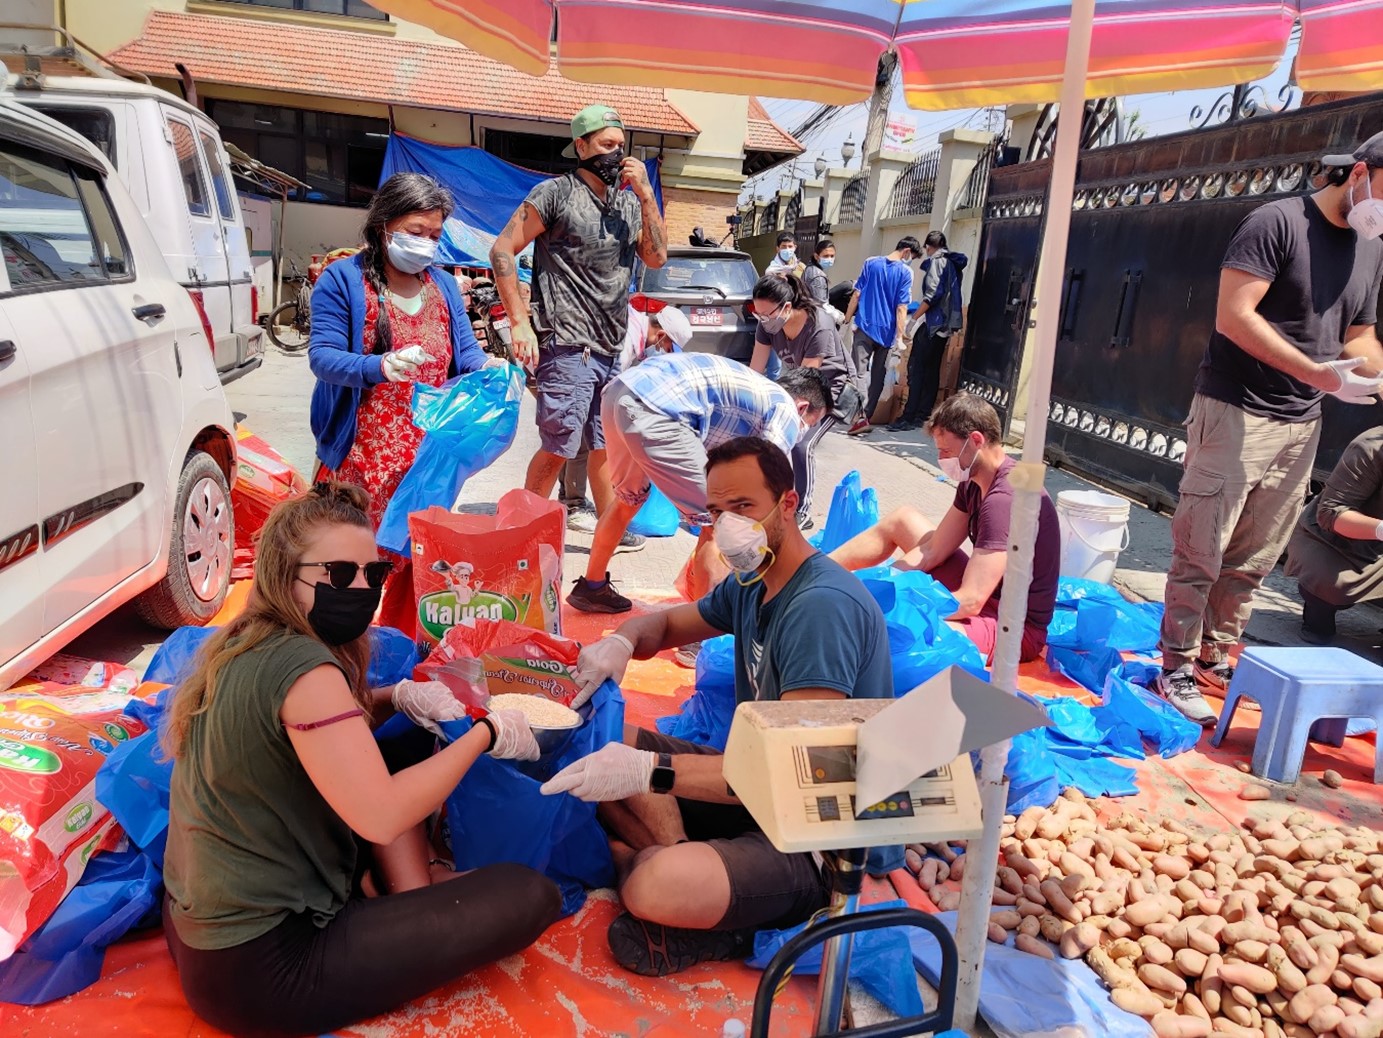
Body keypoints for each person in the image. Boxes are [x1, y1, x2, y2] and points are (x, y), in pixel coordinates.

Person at [160, 483, 561, 1038]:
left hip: (200, 931)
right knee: (531, 895)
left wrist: (395, 695)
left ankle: (399, 893)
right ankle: (406, 895)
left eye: (372, 575)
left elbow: (316, 728)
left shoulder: (247, 642)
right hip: (261, 969)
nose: (359, 589)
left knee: (399, 740)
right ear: (285, 574)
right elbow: (380, 816)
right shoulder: (307, 668)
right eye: (338, 574)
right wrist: (487, 733)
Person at [541, 437, 893, 977]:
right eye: (716, 510)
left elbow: (803, 770)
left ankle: (708, 899)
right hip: (752, 788)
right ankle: (679, 852)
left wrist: (650, 773)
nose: (728, 525)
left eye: (744, 507)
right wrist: (619, 642)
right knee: (592, 738)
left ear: (788, 503)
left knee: (653, 883)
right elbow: (663, 624)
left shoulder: (820, 607)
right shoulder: (754, 584)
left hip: (815, 834)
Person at [1155, 132, 1383, 727]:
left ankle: (1217, 653)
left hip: (1302, 421)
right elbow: (1234, 314)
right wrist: (1315, 372)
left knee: (1253, 557)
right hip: (1235, 407)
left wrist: (1372, 372)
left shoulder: (1369, 248)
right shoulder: (1276, 222)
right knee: (1201, 546)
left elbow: (1358, 334)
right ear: (1359, 173)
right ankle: (1175, 662)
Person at [309, 173, 490, 633]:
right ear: (383, 224)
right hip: (360, 457)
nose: (427, 244)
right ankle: (337, 647)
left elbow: (464, 353)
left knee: (414, 562)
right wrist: (378, 366)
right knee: (350, 562)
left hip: (426, 462)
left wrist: (487, 372)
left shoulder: (444, 287)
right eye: (416, 232)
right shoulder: (344, 279)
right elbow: (323, 357)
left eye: (435, 235)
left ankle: (392, 649)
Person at [490, 104, 668, 521]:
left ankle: (608, 531)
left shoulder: (627, 206)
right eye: (606, 145)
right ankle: (519, 527)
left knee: (603, 445)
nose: (615, 155)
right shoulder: (556, 194)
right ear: (581, 146)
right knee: (558, 446)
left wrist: (645, 194)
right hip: (568, 343)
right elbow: (502, 249)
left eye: (621, 147)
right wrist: (520, 322)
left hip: (610, 346)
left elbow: (657, 257)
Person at [568, 357, 830, 614]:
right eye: (810, 423)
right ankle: (702, 633)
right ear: (802, 406)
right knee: (718, 524)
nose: (804, 432)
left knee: (628, 500)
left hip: (621, 392)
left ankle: (592, 586)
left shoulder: (750, 394)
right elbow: (765, 479)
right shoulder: (784, 406)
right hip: (658, 407)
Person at [831, 393, 1061, 664]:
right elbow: (932, 549)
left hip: (1013, 626)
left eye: (946, 452)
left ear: (976, 440)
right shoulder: (973, 479)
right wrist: (888, 583)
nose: (941, 459)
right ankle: (821, 570)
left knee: (903, 635)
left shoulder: (1005, 500)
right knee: (903, 519)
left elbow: (971, 601)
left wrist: (899, 607)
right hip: (986, 593)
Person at [749, 273, 862, 527]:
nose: (763, 320)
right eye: (758, 315)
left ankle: (803, 510)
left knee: (801, 444)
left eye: (767, 315)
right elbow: (756, 369)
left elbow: (807, 384)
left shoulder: (818, 324)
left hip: (830, 389)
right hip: (801, 383)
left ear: (787, 307)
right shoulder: (768, 324)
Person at [1286, 426, 1383, 642]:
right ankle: (1318, 614)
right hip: (1337, 542)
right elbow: (1332, 513)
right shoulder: (1372, 446)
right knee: (1328, 583)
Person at [891, 231, 968, 432]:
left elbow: (932, 294)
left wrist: (914, 319)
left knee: (917, 370)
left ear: (928, 247)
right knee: (932, 370)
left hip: (933, 323)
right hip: (945, 325)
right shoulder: (952, 262)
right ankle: (923, 414)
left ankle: (909, 416)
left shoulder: (937, 262)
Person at [842, 237, 920, 434]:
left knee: (858, 373)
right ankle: (866, 415)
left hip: (864, 327)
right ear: (907, 251)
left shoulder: (871, 263)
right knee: (878, 376)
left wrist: (847, 318)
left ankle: (859, 417)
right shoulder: (905, 272)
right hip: (886, 333)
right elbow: (901, 308)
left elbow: (856, 294)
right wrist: (900, 337)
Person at [802, 238, 836, 307]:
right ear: (816, 256)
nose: (829, 259)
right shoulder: (818, 277)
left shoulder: (810, 268)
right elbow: (821, 305)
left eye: (832, 256)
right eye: (826, 256)